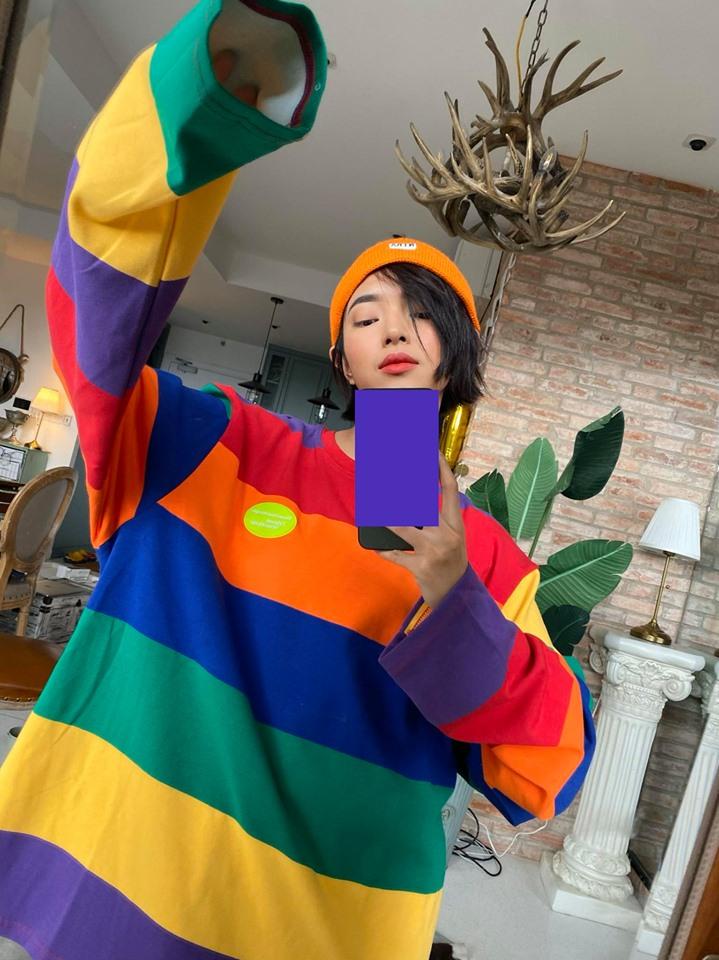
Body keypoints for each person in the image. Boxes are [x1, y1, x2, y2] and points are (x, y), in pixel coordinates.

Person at [0, 2, 596, 959]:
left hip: (334, 928)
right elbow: (98, 321)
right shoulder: (210, 442)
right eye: (365, 314)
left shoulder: (488, 557)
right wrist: (192, 109)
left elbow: (549, 768)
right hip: (132, 887)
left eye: (423, 312)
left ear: (455, 353)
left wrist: (457, 602)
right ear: (343, 357)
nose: (393, 328)